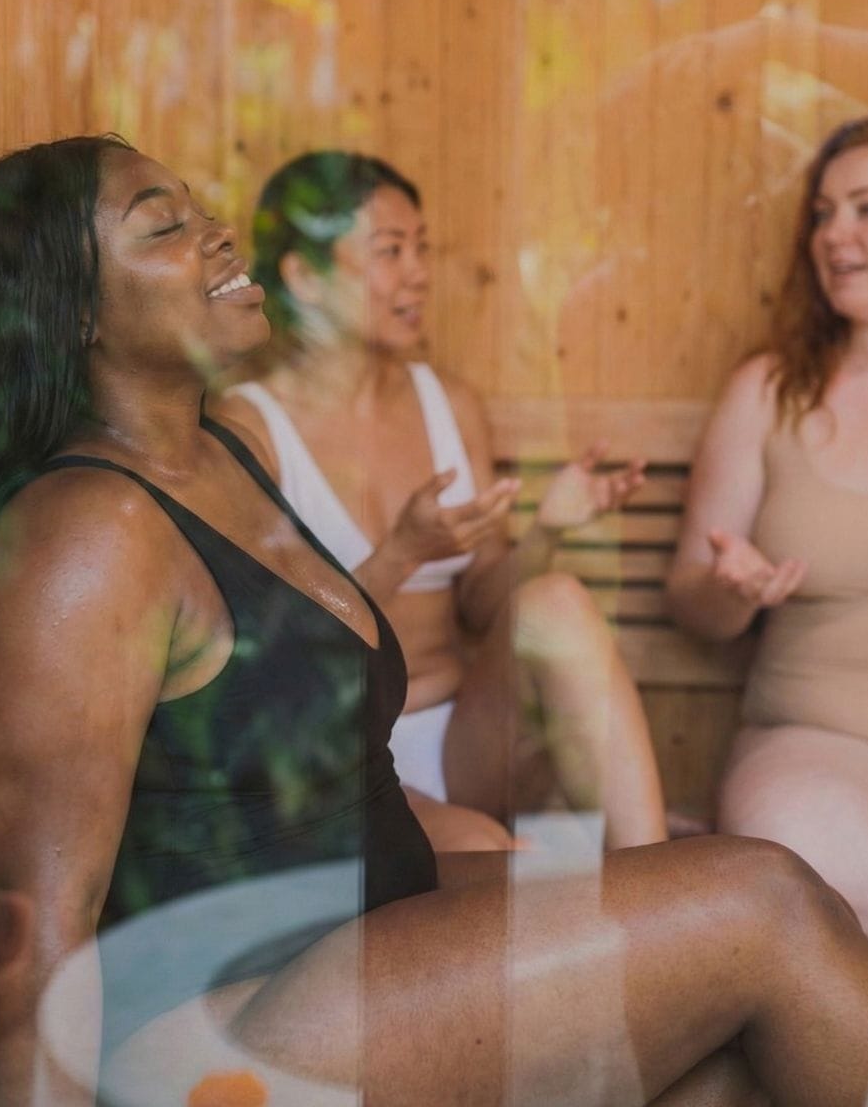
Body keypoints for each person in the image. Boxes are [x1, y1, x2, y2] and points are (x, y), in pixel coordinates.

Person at [0, 134, 868, 1106]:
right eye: (163, 228)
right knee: (762, 901)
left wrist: (578, 885)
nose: (218, 233)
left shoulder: (215, 463)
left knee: (759, 1040)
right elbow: (39, 938)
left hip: (360, 936)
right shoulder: (86, 536)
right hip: (226, 1018)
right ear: (74, 316)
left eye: (201, 209)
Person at [221, 151, 665, 852]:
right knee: (493, 863)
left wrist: (546, 531)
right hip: (342, 759)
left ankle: (658, 876)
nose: (420, 273)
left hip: (465, 740)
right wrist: (400, 556)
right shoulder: (251, 429)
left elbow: (488, 608)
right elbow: (270, 663)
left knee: (556, 601)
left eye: (422, 249)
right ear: (305, 276)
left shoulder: (447, 405)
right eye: (390, 251)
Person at [667, 113, 868, 962]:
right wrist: (730, 587)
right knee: (797, 854)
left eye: (866, 209)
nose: (835, 236)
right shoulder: (770, 392)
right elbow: (694, 606)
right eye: (822, 214)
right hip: (826, 748)